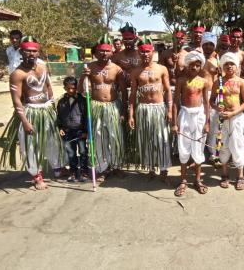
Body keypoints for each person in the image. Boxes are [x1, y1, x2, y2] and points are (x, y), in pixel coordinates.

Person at [0, 36, 65, 190]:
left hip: (47, 110)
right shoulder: (17, 74)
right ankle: (37, 176)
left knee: (52, 141)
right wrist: (25, 121)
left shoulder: (43, 67)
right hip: (30, 111)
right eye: (28, 51)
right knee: (31, 145)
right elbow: (16, 101)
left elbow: (48, 86)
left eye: (34, 51)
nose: (31, 53)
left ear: (38, 51)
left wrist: (52, 106)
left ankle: (57, 168)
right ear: (21, 52)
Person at [79, 34, 128, 181]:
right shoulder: (90, 68)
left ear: (111, 52)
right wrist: (83, 76)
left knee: (115, 136)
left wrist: (124, 111)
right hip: (96, 106)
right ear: (95, 52)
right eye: (101, 51)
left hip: (113, 106)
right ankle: (102, 168)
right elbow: (81, 90)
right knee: (99, 137)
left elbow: (124, 91)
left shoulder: (117, 69)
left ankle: (117, 166)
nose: (104, 53)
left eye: (107, 51)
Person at [128, 36, 173, 182]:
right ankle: (151, 169)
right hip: (143, 109)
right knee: (147, 140)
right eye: (142, 52)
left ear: (152, 52)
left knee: (162, 139)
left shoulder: (162, 69)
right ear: (138, 53)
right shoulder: (135, 72)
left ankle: (164, 169)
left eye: (148, 51)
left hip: (159, 108)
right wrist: (131, 115)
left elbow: (168, 91)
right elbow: (133, 95)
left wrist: (170, 110)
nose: (145, 54)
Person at [210, 52, 244, 190]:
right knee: (223, 144)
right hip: (221, 118)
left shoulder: (241, 82)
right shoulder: (218, 82)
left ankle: (240, 176)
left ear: (236, 66)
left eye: (232, 63)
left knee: (237, 144)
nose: (229, 66)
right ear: (222, 66)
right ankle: (225, 175)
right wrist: (217, 107)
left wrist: (232, 113)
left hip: (237, 118)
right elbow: (211, 101)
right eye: (226, 64)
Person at [172, 51, 210, 196]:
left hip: (199, 116)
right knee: (183, 148)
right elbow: (176, 102)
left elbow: (206, 102)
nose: (194, 67)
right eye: (191, 65)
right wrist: (175, 123)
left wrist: (207, 122)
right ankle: (183, 180)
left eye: (197, 65)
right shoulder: (181, 81)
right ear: (187, 65)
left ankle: (198, 180)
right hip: (185, 116)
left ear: (200, 66)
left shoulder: (204, 81)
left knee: (198, 148)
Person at [57, 76, 89, 182]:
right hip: (67, 131)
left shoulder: (83, 101)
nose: (71, 90)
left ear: (76, 88)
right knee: (71, 153)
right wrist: (60, 127)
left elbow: (86, 117)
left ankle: (84, 171)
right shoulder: (61, 102)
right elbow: (59, 117)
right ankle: (73, 171)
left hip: (80, 131)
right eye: (68, 88)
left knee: (83, 151)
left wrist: (86, 131)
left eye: (73, 88)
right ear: (64, 88)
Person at [112, 22, 139, 88]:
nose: (127, 41)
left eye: (130, 39)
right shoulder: (117, 56)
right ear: (122, 41)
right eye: (125, 39)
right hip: (122, 88)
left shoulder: (141, 55)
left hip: (138, 88)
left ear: (135, 40)